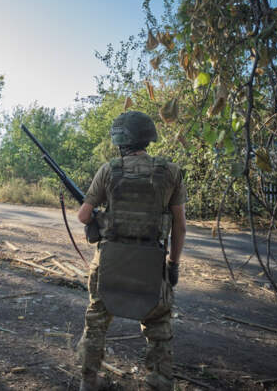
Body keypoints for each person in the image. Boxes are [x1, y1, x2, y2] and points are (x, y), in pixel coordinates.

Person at [76, 111, 187, 391]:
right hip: (151, 263)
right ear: (147, 137)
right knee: (159, 325)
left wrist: (98, 219)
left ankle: (88, 382)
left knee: (96, 320)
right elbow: (180, 227)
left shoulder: (109, 169)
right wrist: (173, 265)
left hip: (110, 261)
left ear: (120, 139)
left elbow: (83, 215)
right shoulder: (170, 172)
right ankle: (159, 383)